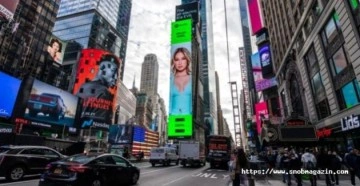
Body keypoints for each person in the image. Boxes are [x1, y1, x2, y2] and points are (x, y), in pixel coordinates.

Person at [76, 54, 119, 124]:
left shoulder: (83, 86)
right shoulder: (104, 92)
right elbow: (100, 122)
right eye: (113, 71)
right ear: (102, 68)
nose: (116, 77)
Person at [169, 47, 192, 115]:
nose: (180, 62)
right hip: (174, 118)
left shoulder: (192, 78)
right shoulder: (171, 80)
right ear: (174, 62)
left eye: (183, 58)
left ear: (187, 60)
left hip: (188, 119)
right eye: (177, 59)